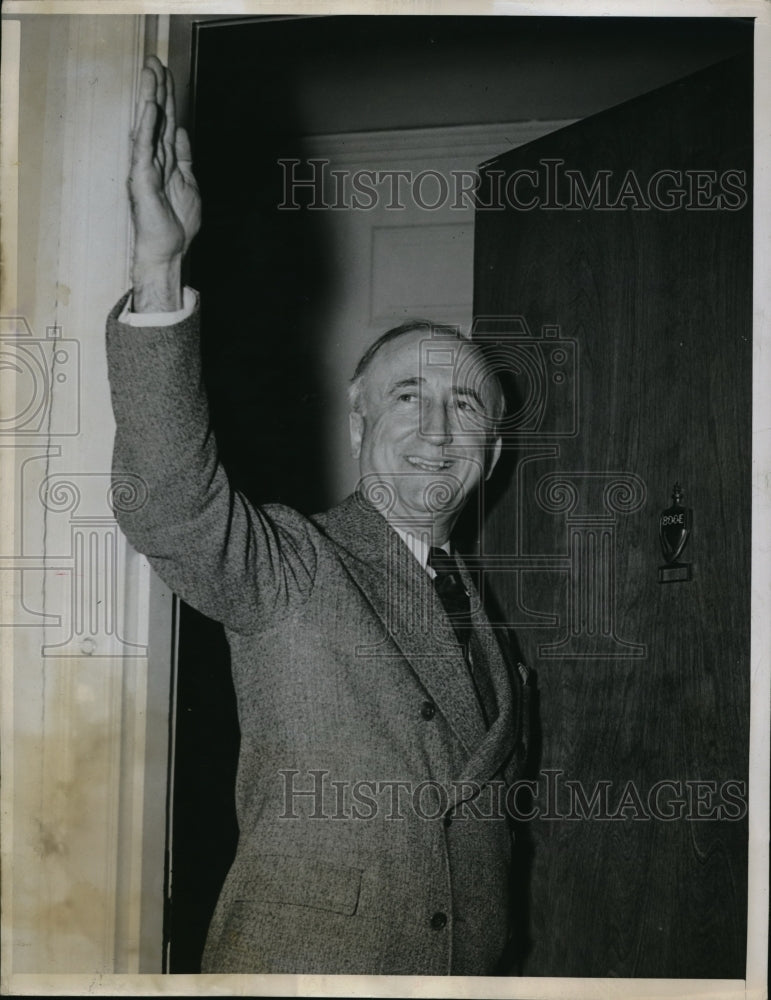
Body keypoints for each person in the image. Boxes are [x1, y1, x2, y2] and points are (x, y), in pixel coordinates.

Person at [107, 55, 530, 976]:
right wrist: (159, 269)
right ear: (357, 419)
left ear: (490, 453)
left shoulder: (491, 621)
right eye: (407, 397)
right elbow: (174, 503)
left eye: (466, 408)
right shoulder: (296, 564)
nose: (434, 430)